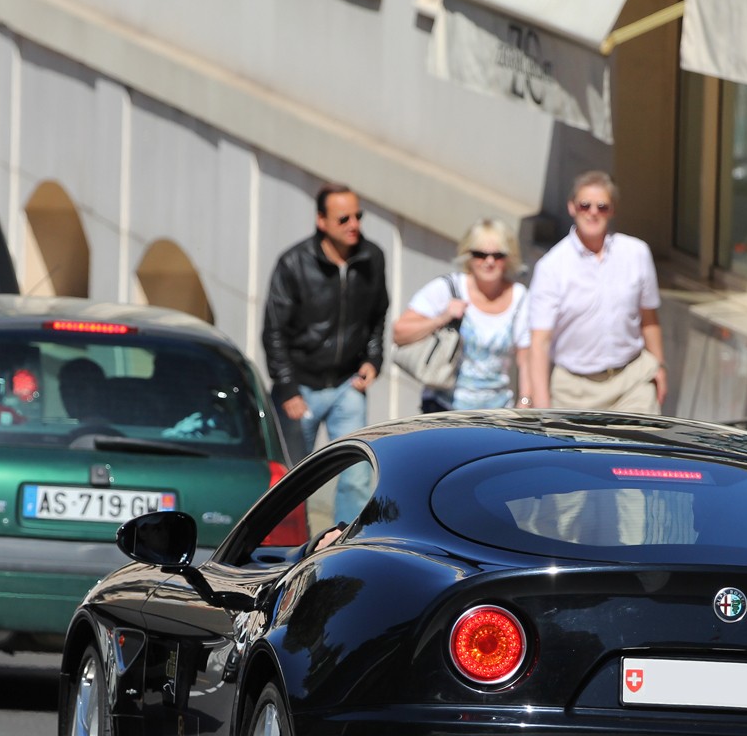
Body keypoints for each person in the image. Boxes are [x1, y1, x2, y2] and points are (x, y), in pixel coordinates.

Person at [262, 182, 389, 524]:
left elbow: (378, 316)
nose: (354, 225)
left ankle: (346, 547)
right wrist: (287, 388)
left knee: (357, 473)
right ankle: (285, 549)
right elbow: (274, 330)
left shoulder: (371, 258)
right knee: (290, 478)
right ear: (322, 221)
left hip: (348, 385)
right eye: (343, 218)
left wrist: (373, 360)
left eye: (358, 216)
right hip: (300, 386)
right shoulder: (294, 263)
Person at [526, 171, 665, 413]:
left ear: (612, 211)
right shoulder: (551, 267)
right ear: (572, 207)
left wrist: (659, 366)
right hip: (574, 390)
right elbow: (540, 342)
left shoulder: (637, 253)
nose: (593, 212)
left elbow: (649, 318)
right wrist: (541, 408)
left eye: (602, 206)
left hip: (632, 381)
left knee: (642, 450)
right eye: (585, 205)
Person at [393, 218, 530, 413]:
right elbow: (399, 332)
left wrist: (524, 405)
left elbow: (527, 360)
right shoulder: (450, 287)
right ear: (468, 256)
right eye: (480, 255)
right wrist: (442, 318)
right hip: (444, 409)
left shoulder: (520, 297)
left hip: (498, 413)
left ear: (509, 258)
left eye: (498, 255)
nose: (489, 262)